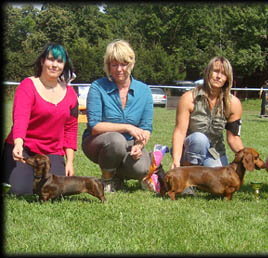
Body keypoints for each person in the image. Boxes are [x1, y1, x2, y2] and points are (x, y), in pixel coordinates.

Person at [81, 39, 163, 193]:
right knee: (116, 140)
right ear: (108, 66)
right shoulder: (97, 87)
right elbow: (94, 126)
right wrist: (127, 127)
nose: (119, 69)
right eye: (114, 64)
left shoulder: (144, 91)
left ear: (130, 64)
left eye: (123, 64)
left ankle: (118, 174)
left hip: (130, 143)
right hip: (99, 141)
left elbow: (146, 128)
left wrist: (139, 146)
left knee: (142, 169)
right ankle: (107, 180)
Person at [2, 43, 78, 195]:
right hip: (24, 148)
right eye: (51, 59)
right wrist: (18, 143)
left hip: (51, 152)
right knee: (22, 190)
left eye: (59, 61)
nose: (54, 65)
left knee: (55, 191)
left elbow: (70, 129)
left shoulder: (70, 94)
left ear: (64, 65)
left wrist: (69, 162)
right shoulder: (27, 86)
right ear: (43, 61)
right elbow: (21, 118)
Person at [171, 56, 244, 171]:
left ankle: (199, 176)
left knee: (220, 182)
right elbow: (179, 132)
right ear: (208, 72)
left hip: (215, 152)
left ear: (227, 78)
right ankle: (186, 176)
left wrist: (246, 155)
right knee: (199, 139)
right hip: (190, 149)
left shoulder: (233, 103)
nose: (218, 76)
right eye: (215, 71)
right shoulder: (188, 98)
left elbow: (233, 138)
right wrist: (175, 160)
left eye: (223, 73)